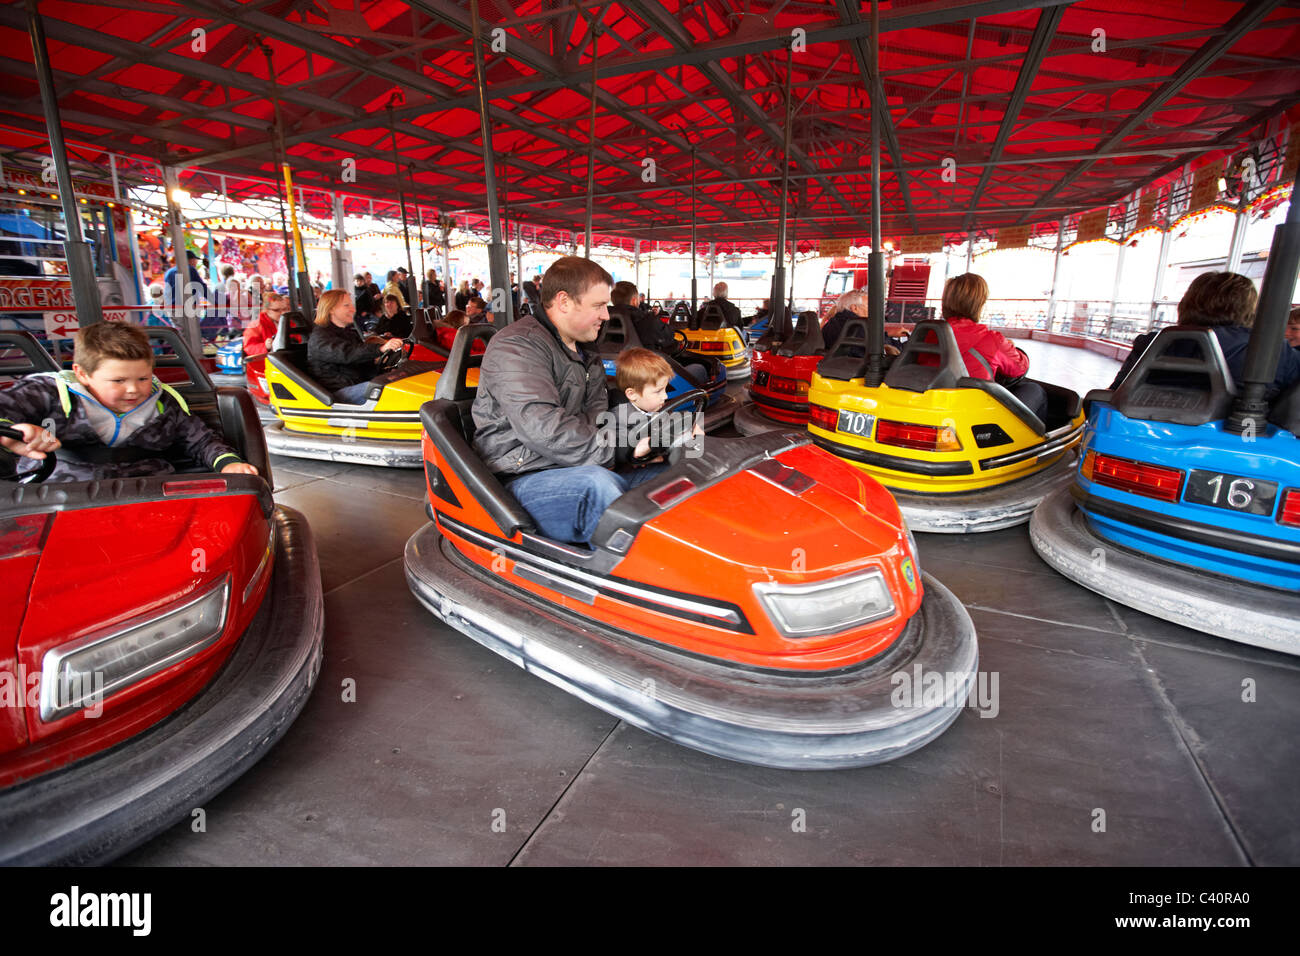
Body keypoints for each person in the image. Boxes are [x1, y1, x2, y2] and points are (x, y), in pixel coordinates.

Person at [472, 256, 664, 545]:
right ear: (564, 302)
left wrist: (650, 430)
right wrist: (623, 447)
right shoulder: (516, 346)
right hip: (522, 475)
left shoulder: (585, 351)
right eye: (598, 306)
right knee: (597, 487)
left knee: (673, 473)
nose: (607, 316)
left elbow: (598, 416)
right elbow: (546, 430)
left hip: (575, 464)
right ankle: (634, 582)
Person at [0, 321, 258, 483]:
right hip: (62, 492)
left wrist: (227, 462)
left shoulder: (162, 404)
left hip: (145, 491)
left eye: (143, 377)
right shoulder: (49, 393)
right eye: (119, 381)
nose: (134, 390)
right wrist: (13, 432)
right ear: (82, 374)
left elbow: (200, 439)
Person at [1110, 271, 1300, 398]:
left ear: (1187, 303)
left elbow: (1115, 394)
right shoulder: (1275, 351)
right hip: (1242, 442)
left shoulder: (1153, 343)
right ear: (1249, 309)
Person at [922, 273, 1046, 418]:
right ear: (979, 304)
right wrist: (1013, 349)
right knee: (1035, 390)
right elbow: (1019, 369)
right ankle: (1034, 440)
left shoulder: (927, 334)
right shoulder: (992, 339)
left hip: (933, 407)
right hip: (976, 414)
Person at [307, 289, 405, 404]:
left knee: (401, 383)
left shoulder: (348, 332)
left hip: (355, 383)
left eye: (351, 305)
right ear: (331, 308)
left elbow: (360, 360)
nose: (353, 309)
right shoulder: (320, 338)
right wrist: (380, 349)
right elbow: (348, 353)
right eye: (346, 305)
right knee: (390, 392)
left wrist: (384, 369)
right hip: (338, 392)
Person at [243, 292, 290, 358]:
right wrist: (265, 346)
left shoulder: (290, 321)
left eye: (284, 309)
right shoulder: (256, 325)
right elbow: (249, 347)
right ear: (266, 310)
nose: (282, 313)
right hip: (267, 362)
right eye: (277, 310)